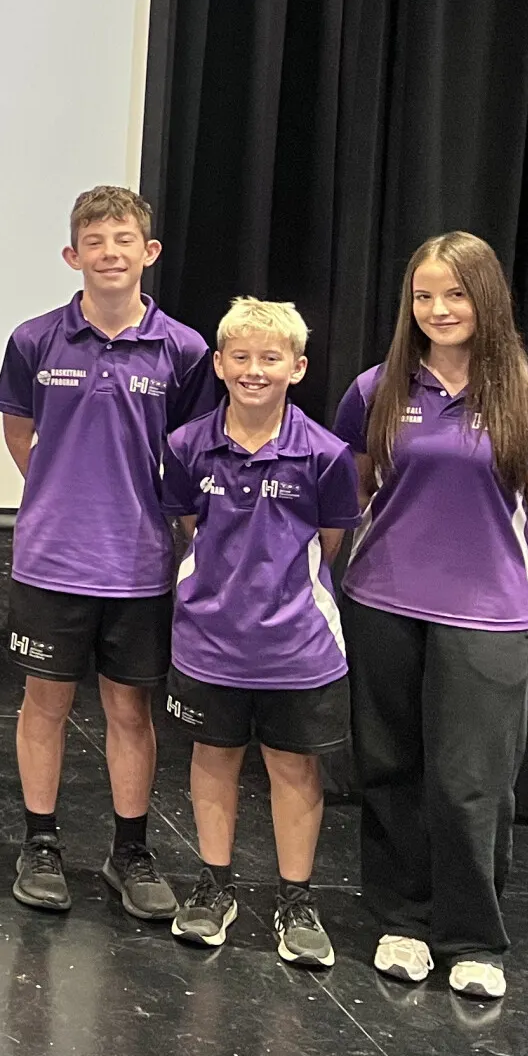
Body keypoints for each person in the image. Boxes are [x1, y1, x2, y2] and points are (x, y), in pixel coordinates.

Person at [332, 233, 528, 1000]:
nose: (438, 309)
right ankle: (403, 921)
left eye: (455, 294)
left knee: (472, 782)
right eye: (423, 296)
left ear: (487, 299)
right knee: (392, 767)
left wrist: (487, 577)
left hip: (486, 618)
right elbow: (355, 491)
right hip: (382, 604)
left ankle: (473, 938)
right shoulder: (375, 390)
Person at [0, 186, 210, 919]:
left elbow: (190, 452)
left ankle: (130, 852)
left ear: (147, 253)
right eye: (95, 241)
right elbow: (20, 433)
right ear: (71, 255)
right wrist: (64, 495)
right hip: (52, 558)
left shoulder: (184, 350)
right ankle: (42, 843)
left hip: (139, 563)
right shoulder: (33, 340)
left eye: (124, 240)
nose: (109, 253)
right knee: (44, 704)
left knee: (129, 710)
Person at [158, 297, 361, 965]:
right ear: (217, 363)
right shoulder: (186, 447)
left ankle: (296, 901)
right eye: (239, 357)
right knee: (213, 760)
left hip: (296, 650)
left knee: (294, 768)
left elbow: (329, 543)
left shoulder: (326, 457)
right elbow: (187, 526)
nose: (253, 370)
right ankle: (214, 888)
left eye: (270, 358)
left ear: (297, 368)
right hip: (209, 643)